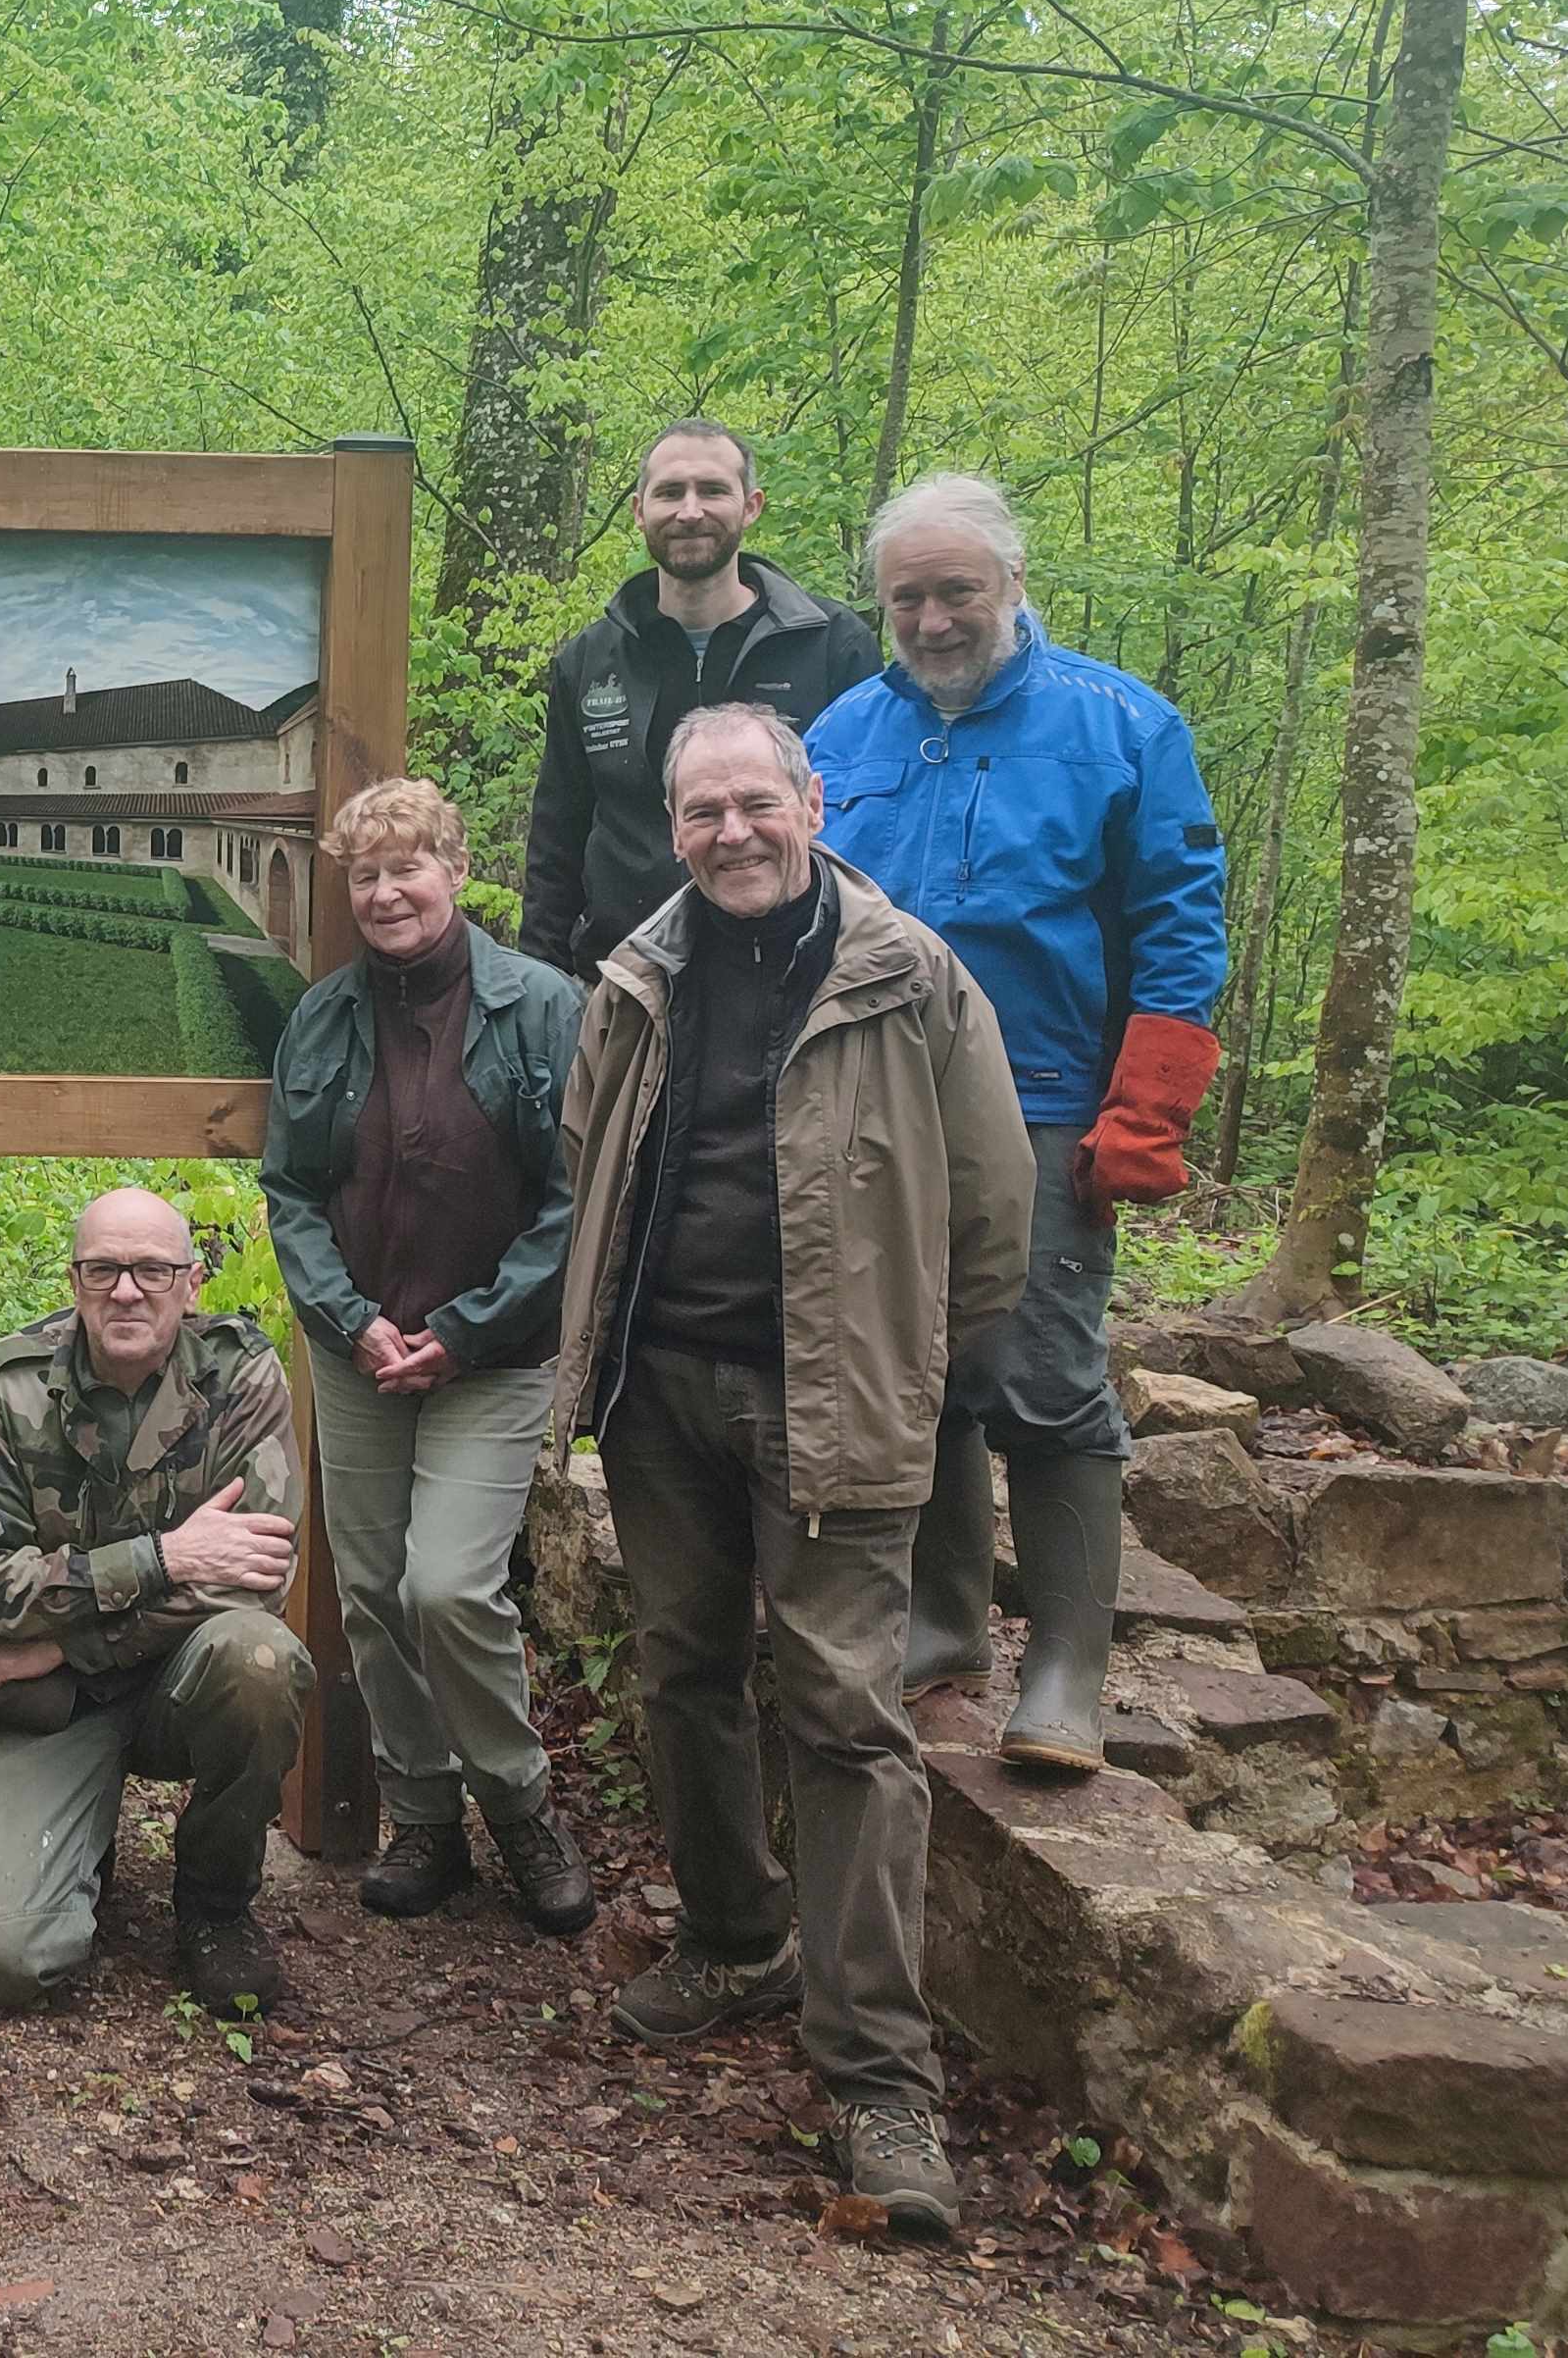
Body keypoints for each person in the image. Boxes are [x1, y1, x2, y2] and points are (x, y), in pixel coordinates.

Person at [554, 702, 1034, 2238]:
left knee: (844, 1719)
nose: (732, 833)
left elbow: (993, 1211)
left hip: (836, 1408)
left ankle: (881, 2081)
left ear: (813, 801)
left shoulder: (907, 977)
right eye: (703, 812)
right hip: (659, 1394)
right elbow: (590, 1148)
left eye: (757, 802)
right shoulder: (642, 974)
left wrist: (911, 1373)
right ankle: (733, 1934)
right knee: (686, 1674)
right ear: (673, 823)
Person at [807, 473, 1230, 1772]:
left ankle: (1067, 1669)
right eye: (908, 597)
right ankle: (940, 1639)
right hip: (870, 1105)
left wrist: (1146, 1109)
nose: (933, 620)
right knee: (914, 1379)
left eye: (956, 592)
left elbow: (1182, 925)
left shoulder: (1121, 727)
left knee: (1044, 1381)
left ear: (1013, 585)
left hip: (1044, 1104)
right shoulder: (841, 733)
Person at [260, 778, 592, 1936]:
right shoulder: (325, 1015)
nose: (387, 891)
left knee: (447, 1585)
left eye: (409, 867)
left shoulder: (545, 1008)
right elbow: (290, 1188)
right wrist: (350, 1319)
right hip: (360, 1350)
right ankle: (423, 1814)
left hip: (493, 1356)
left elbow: (575, 1198)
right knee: (368, 1593)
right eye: (365, 874)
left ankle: (518, 1805)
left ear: (455, 869)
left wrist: (464, 1329)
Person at [0, 1188, 315, 2018]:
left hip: (161, 1676)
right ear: (75, 1281)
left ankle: (217, 1902)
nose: (127, 1291)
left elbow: (254, 1575)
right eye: (104, 1270)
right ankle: (76, 1849)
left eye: (152, 1270)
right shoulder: (6, 1384)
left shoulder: (240, 1373)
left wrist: (71, 1642)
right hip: (52, 1703)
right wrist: (165, 1556)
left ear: (191, 1283)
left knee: (259, 1656)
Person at [524, 420, 883, 979]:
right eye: (670, 492)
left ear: (751, 506)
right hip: (623, 982)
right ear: (640, 511)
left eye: (713, 490)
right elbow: (556, 839)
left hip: (797, 978)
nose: (690, 511)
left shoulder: (831, 645)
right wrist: (538, 983)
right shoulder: (591, 662)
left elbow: (868, 824)